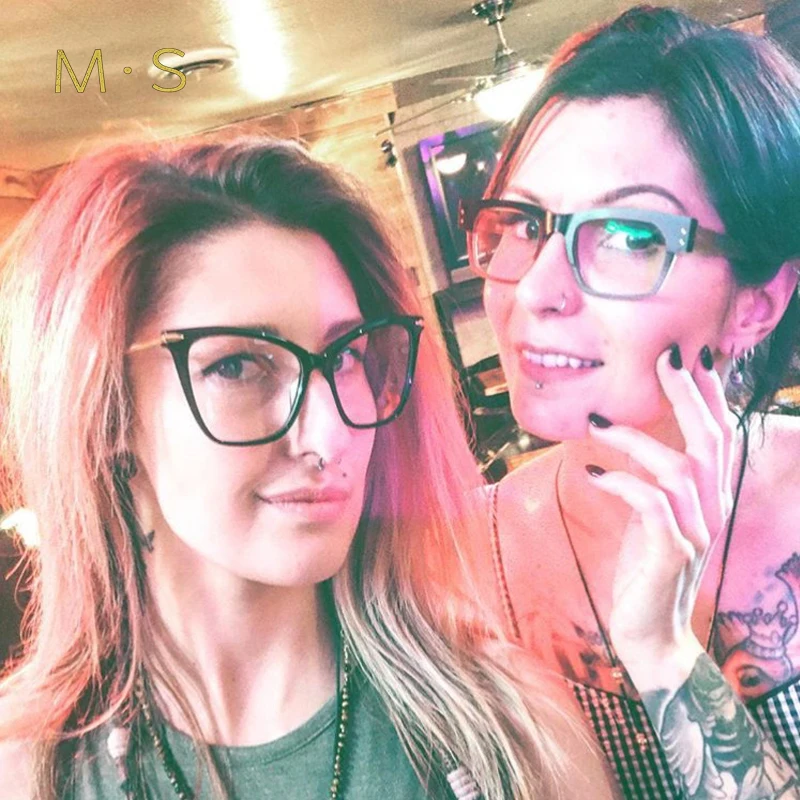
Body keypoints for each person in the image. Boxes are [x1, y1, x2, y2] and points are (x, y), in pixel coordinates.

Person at [0, 138, 616, 799]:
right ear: (106, 414)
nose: (330, 434)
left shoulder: (511, 732)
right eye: (237, 364)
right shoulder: (28, 770)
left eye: (345, 356)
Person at [459, 5, 800, 798]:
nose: (535, 290)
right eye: (524, 223)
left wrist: (663, 651)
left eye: (629, 236)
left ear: (757, 303)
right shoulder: (458, 562)